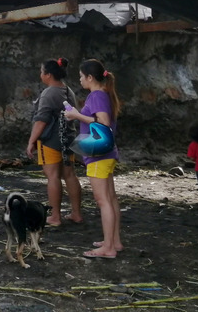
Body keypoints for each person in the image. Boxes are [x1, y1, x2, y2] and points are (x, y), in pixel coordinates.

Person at [64, 58, 122, 259]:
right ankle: (114, 241)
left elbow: (102, 123)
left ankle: (108, 248)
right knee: (111, 198)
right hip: (108, 153)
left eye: (81, 76)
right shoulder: (104, 94)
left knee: (103, 200)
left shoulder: (96, 96)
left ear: (90, 77)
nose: (79, 80)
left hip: (99, 154)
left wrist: (76, 116)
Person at [25, 58, 83, 227]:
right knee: (70, 174)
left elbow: (41, 120)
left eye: (42, 72)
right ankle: (76, 214)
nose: (40, 75)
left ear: (48, 75)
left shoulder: (49, 93)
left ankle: (55, 216)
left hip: (51, 140)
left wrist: (31, 141)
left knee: (52, 176)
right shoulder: (68, 91)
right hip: (69, 138)